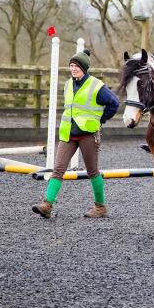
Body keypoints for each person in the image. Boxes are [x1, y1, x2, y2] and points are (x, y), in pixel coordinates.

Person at [32, 49, 120, 218]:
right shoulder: (67, 84)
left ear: (84, 68)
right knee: (58, 170)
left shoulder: (96, 85)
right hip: (68, 134)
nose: (73, 69)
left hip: (88, 134)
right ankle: (47, 205)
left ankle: (100, 207)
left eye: (77, 66)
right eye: (71, 66)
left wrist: (100, 120)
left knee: (92, 172)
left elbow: (114, 103)